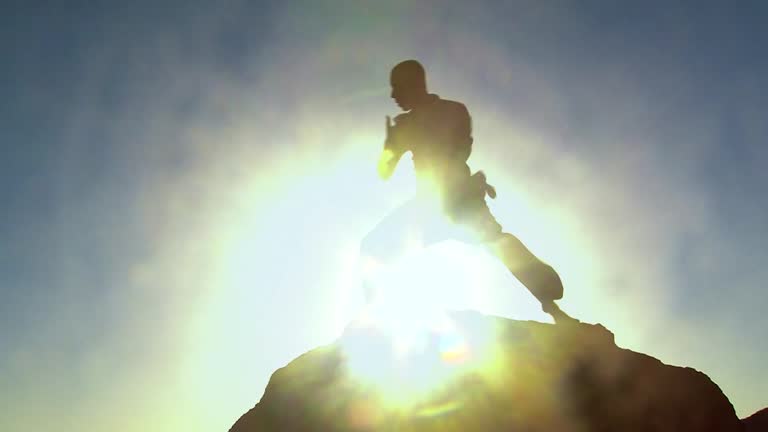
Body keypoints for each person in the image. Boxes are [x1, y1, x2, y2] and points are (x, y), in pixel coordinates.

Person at [361, 59, 573, 323]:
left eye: (397, 87)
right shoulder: (406, 125)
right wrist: (390, 146)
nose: (392, 95)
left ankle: (551, 305)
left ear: (413, 83)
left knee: (497, 243)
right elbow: (385, 172)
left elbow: (461, 148)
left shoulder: (452, 110)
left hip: (461, 199)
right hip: (429, 206)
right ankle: (374, 317)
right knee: (373, 247)